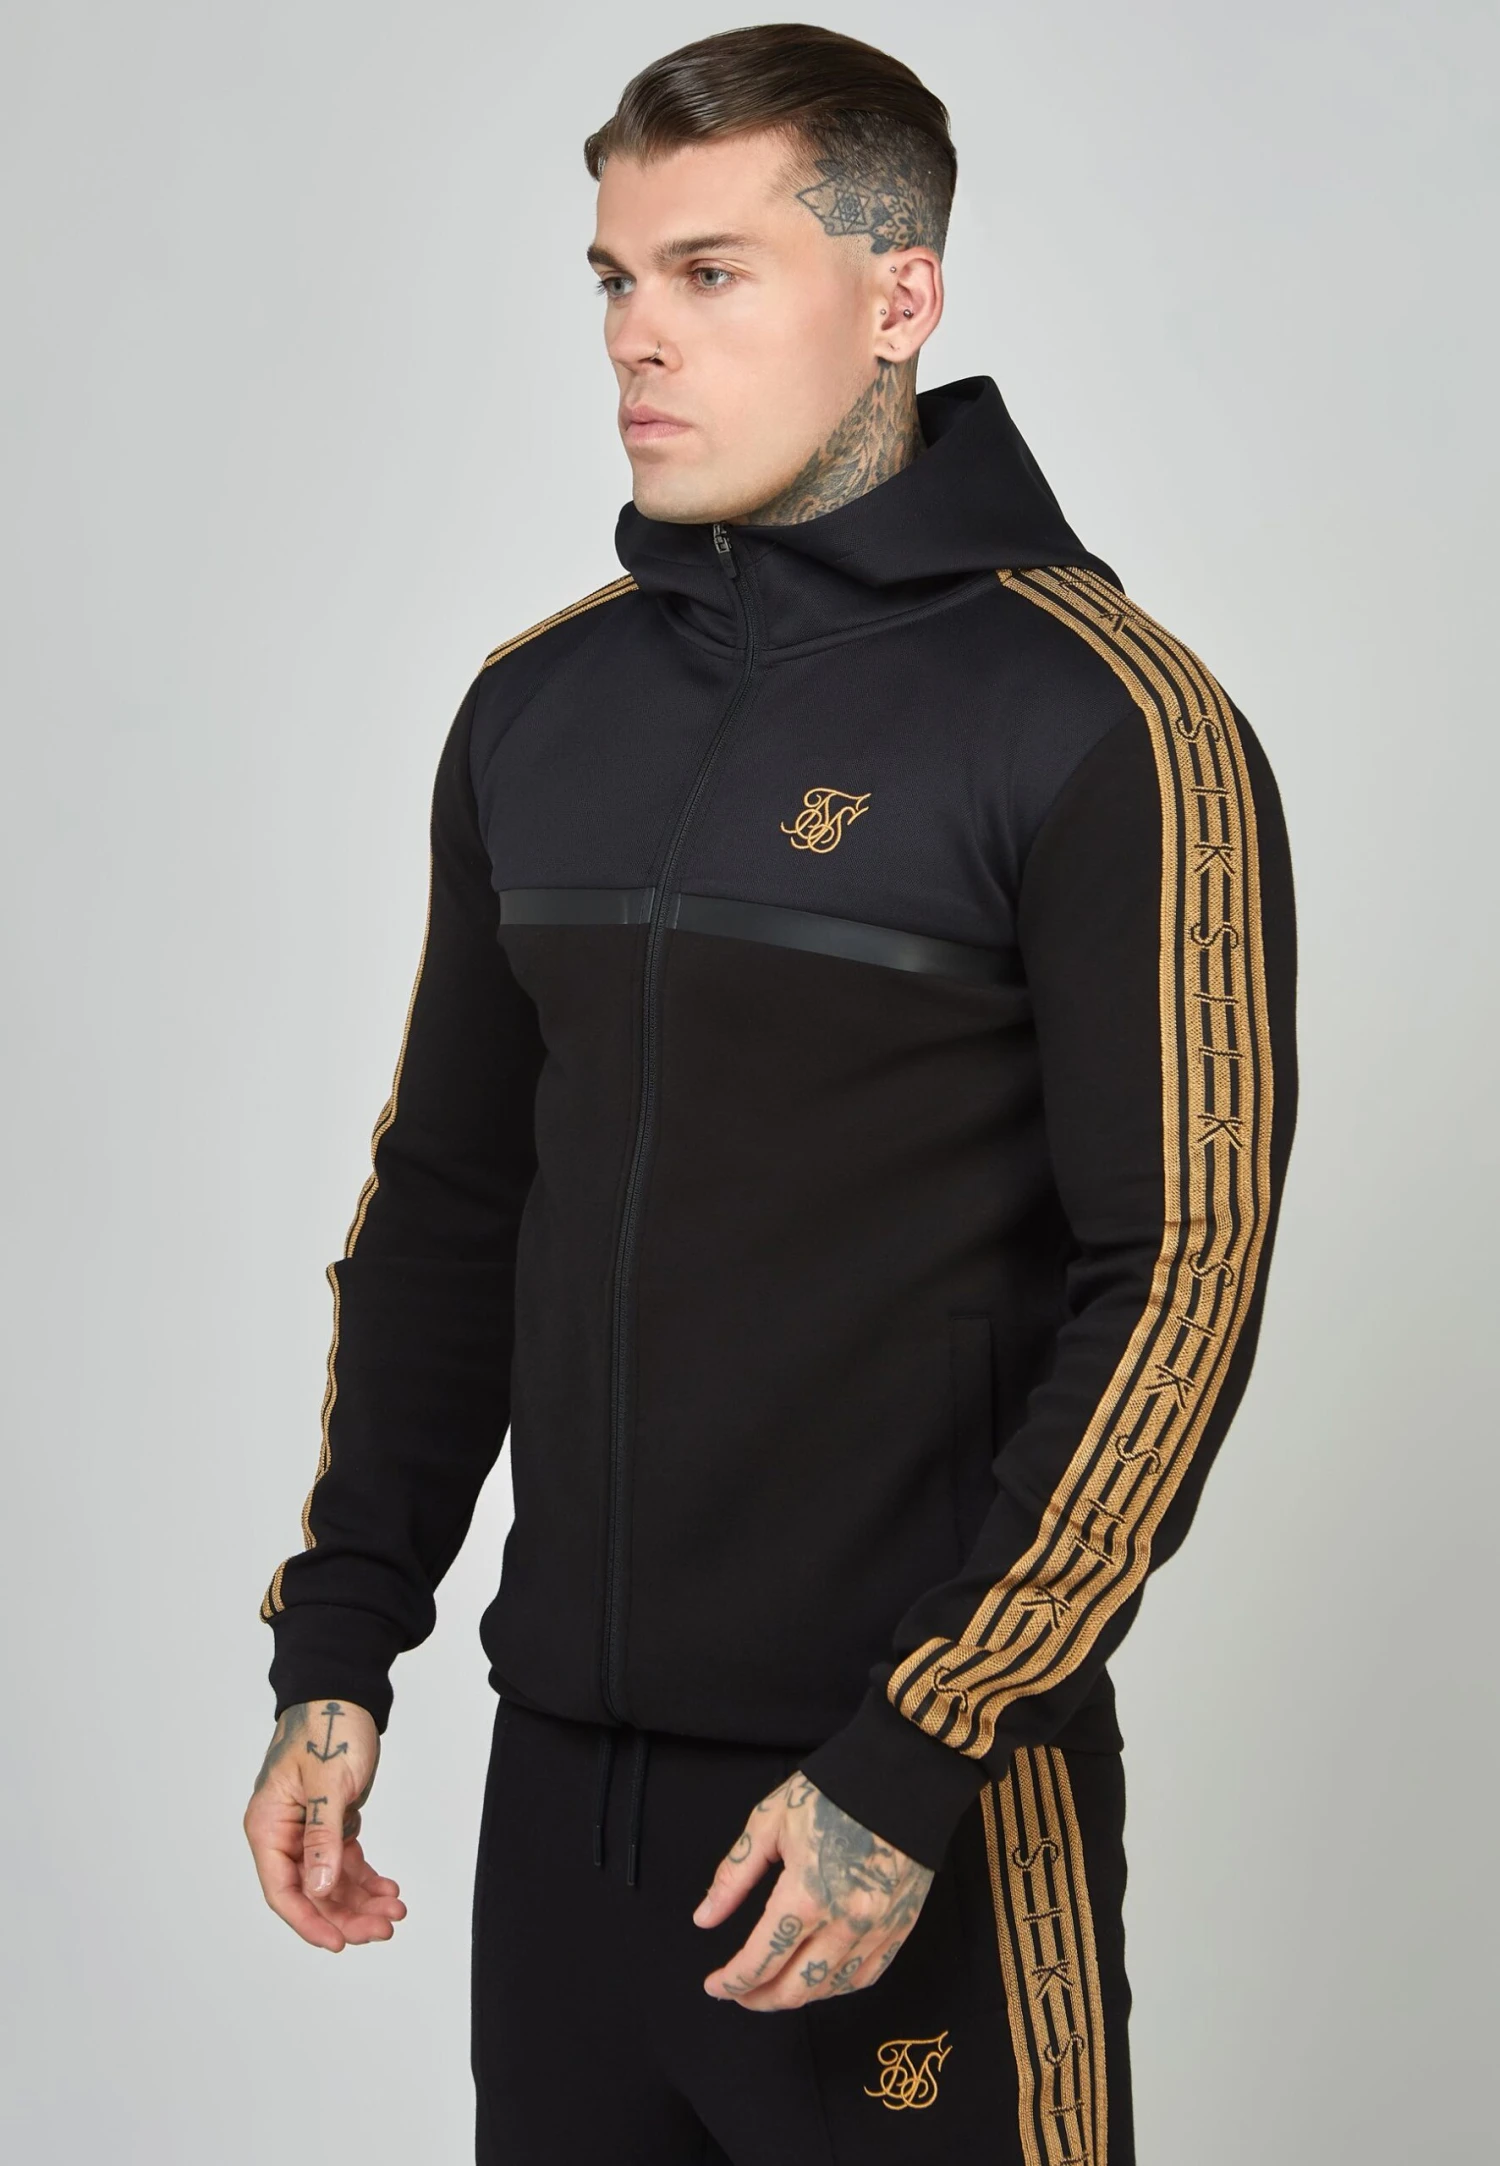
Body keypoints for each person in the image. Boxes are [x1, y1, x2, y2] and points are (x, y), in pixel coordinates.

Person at [243, 22, 1299, 2165]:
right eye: (617, 278)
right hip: (566, 1814)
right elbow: (450, 1202)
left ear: (900, 298)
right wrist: (341, 1641)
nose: (636, 336)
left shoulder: (1104, 723)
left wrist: (922, 1746)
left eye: (711, 274)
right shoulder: (540, 709)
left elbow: (1179, 1275)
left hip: (903, 1797)